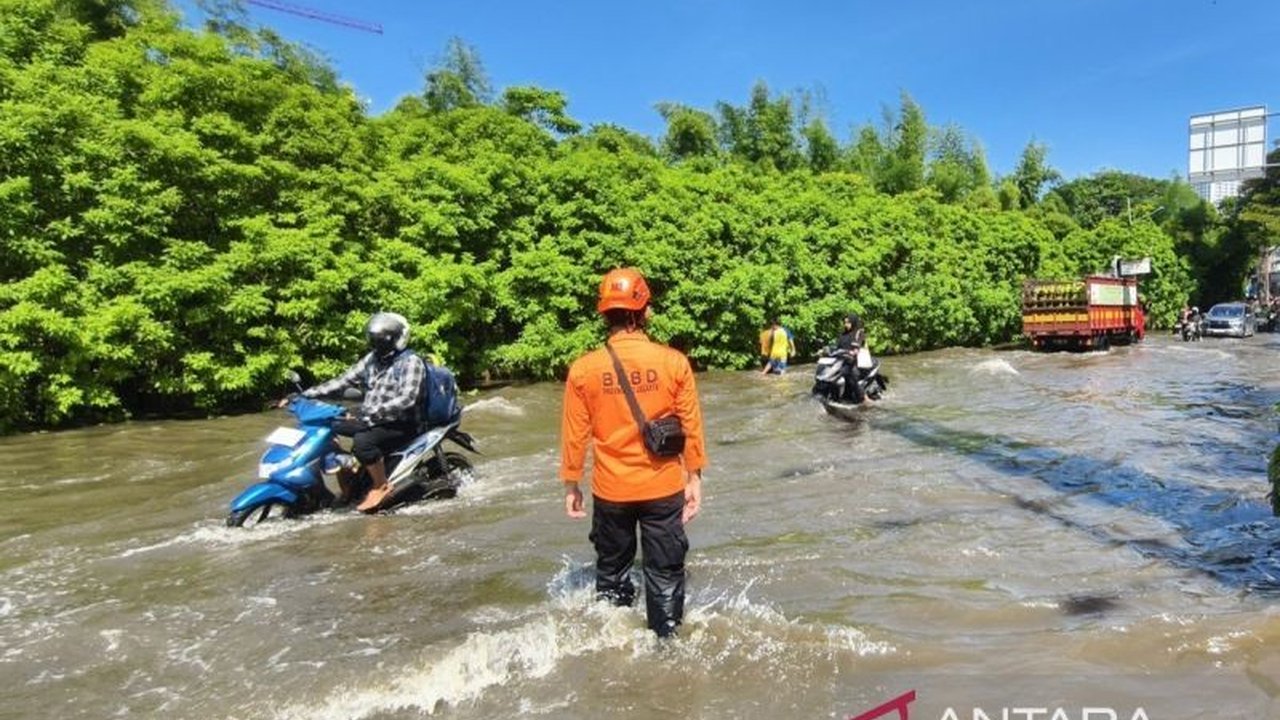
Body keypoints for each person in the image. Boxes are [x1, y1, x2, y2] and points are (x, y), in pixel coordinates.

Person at [559, 267, 707, 638]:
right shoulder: (674, 362)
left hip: (611, 492)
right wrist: (695, 477)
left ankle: (613, 642)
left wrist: (571, 484)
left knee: (611, 573)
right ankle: (666, 644)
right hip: (663, 487)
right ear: (645, 311)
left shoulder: (583, 369)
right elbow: (691, 425)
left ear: (604, 313)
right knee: (665, 572)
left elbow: (575, 433)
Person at [285, 312, 425, 513]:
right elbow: (343, 381)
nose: (377, 344)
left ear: (397, 339)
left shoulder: (411, 362)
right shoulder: (372, 359)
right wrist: (306, 395)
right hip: (370, 418)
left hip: (400, 422)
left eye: (382, 340)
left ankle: (381, 485)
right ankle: (348, 473)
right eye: (374, 339)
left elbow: (407, 398)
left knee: (363, 443)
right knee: (325, 426)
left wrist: (373, 412)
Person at [836, 313, 867, 402]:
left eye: (848, 323)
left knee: (852, 376)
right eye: (845, 322)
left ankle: (864, 399)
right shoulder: (843, 334)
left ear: (853, 322)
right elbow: (837, 347)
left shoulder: (858, 333)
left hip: (855, 362)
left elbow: (858, 345)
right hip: (842, 361)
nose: (846, 325)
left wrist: (854, 352)